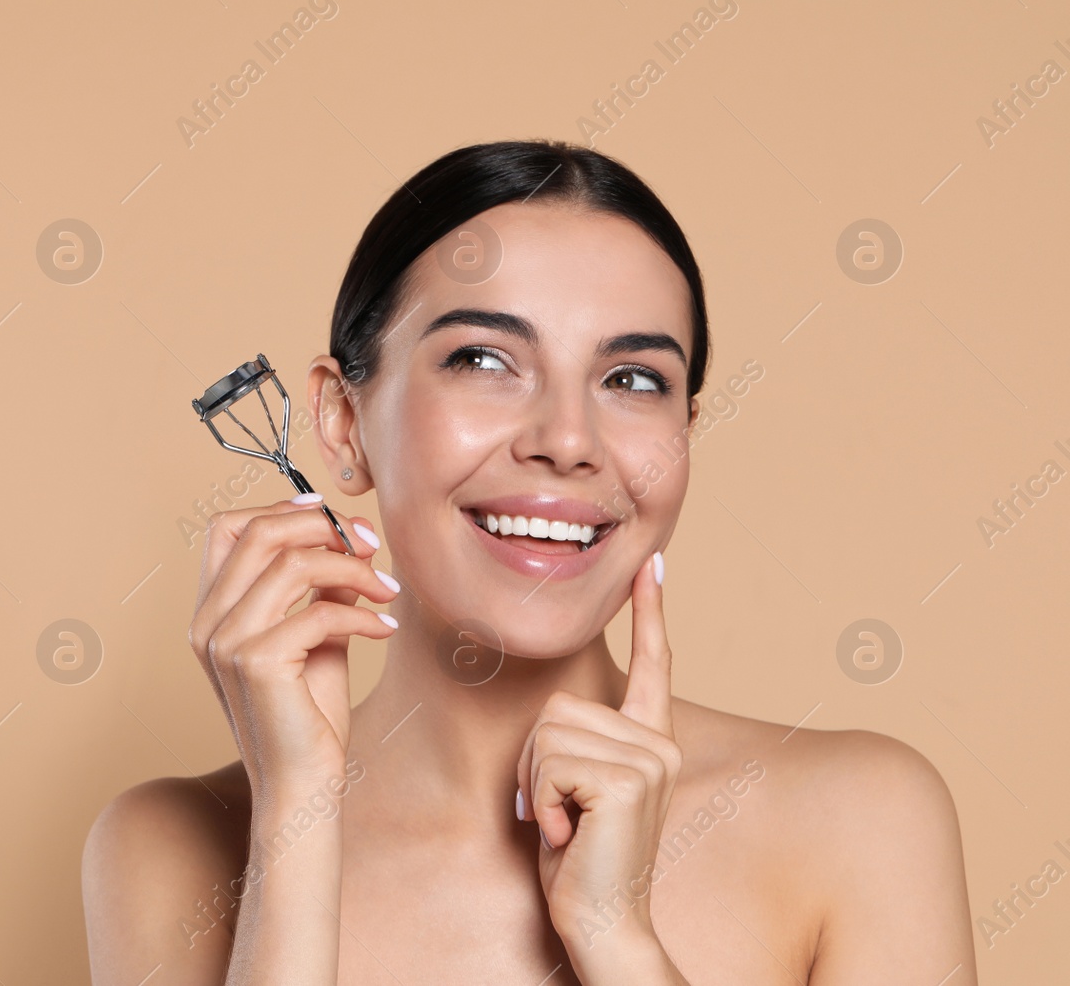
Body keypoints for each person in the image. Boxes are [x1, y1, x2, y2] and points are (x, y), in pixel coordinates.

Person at [82, 140, 976, 984]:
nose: (568, 440)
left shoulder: (862, 818)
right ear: (343, 422)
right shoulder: (172, 845)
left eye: (632, 379)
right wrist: (298, 811)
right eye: (482, 358)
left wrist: (614, 937)